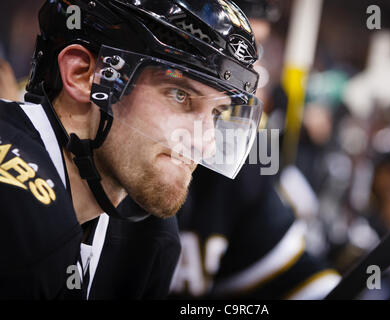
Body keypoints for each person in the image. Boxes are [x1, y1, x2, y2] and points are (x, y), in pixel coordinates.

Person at [0, 0, 263, 299]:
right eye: (180, 95)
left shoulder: (150, 238)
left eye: (216, 114)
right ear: (84, 75)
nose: (205, 144)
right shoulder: (14, 207)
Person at [169, 0, 341, 300]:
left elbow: (300, 280)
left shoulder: (239, 168)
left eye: (256, 51)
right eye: (238, 47)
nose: (254, 75)